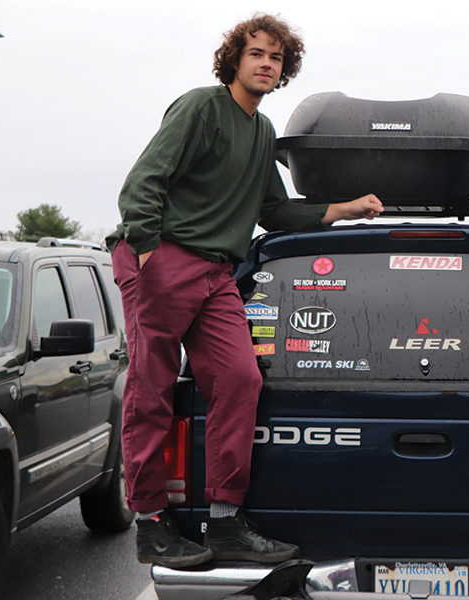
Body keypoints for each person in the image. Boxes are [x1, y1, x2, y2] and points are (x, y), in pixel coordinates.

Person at [106, 13, 384, 568]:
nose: (265, 63)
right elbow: (142, 185)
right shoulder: (200, 108)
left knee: (239, 378)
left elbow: (275, 211)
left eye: (276, 58)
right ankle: (150, 521)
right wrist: (147, 252)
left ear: (285, 70)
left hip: (216, 274)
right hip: (162, 257)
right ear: (234, 58)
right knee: (151, 390)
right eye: (256, 53)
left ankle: (226, 521)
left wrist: (345, 210)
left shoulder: (262, 133)